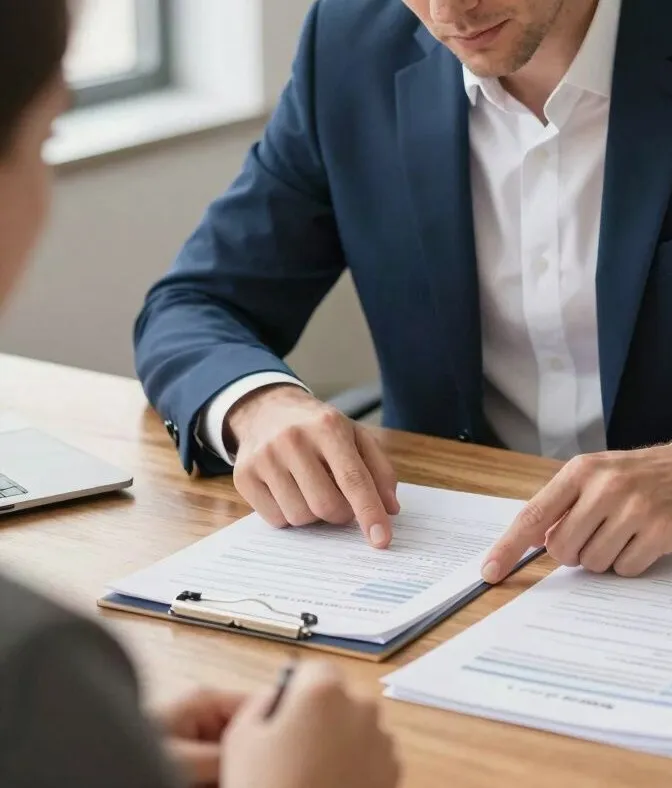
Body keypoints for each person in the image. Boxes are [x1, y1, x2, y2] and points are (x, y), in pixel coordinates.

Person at [135, 0, 672, 583]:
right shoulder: (348, 48)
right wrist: (258, 404)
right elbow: (194, 305)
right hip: (440, 568)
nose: (449, 13)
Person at [0, 2, 400, 787]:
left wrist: (104, 759)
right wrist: (257, 399)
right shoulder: (37, 674)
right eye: (46, 138)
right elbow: (194, 302)